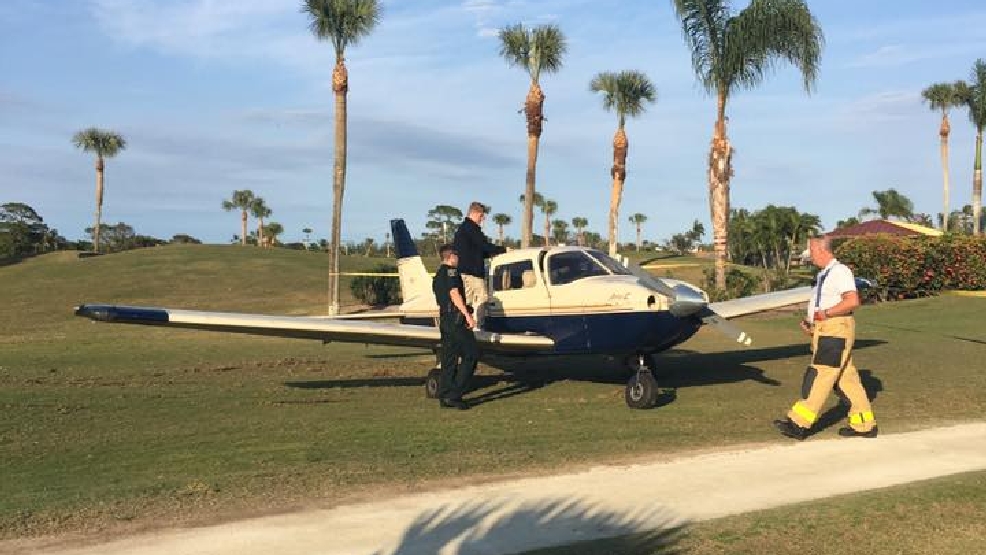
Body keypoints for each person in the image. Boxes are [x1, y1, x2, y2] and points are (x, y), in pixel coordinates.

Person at [773, 236, 878, 440]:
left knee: (820, 376)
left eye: (811, 252)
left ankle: (798, 423)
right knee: (848, 381)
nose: (810, 258)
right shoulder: (825, 274)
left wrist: (826, 315)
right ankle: (865, 425)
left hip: (835, 329)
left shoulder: (840, 272)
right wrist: (813, 324)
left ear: (823, 250)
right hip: (827, 329)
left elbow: (852, 301)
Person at [432, 244, 478, 410]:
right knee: (472, 354)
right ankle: (455, 393)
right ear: (451, 257)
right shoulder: (451, 272)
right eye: (457, 256)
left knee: (449, 359)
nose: (458, 259)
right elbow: (454, 293)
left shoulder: (437, 275)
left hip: (445, 319)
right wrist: (467, 315)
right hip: (455, 319)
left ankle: (445, 396)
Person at [452, 201, 506, 328]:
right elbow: (484, 246)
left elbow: (477, 250)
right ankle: (478, 326)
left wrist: (491, 253)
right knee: (482, 299)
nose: (483, 219)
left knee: (468, 302)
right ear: (474, 213)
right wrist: (502, 250)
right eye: (481, 215)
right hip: (472, 273)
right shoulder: (471, 228)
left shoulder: (463, 229)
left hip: (465, 271)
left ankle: (465, 326)